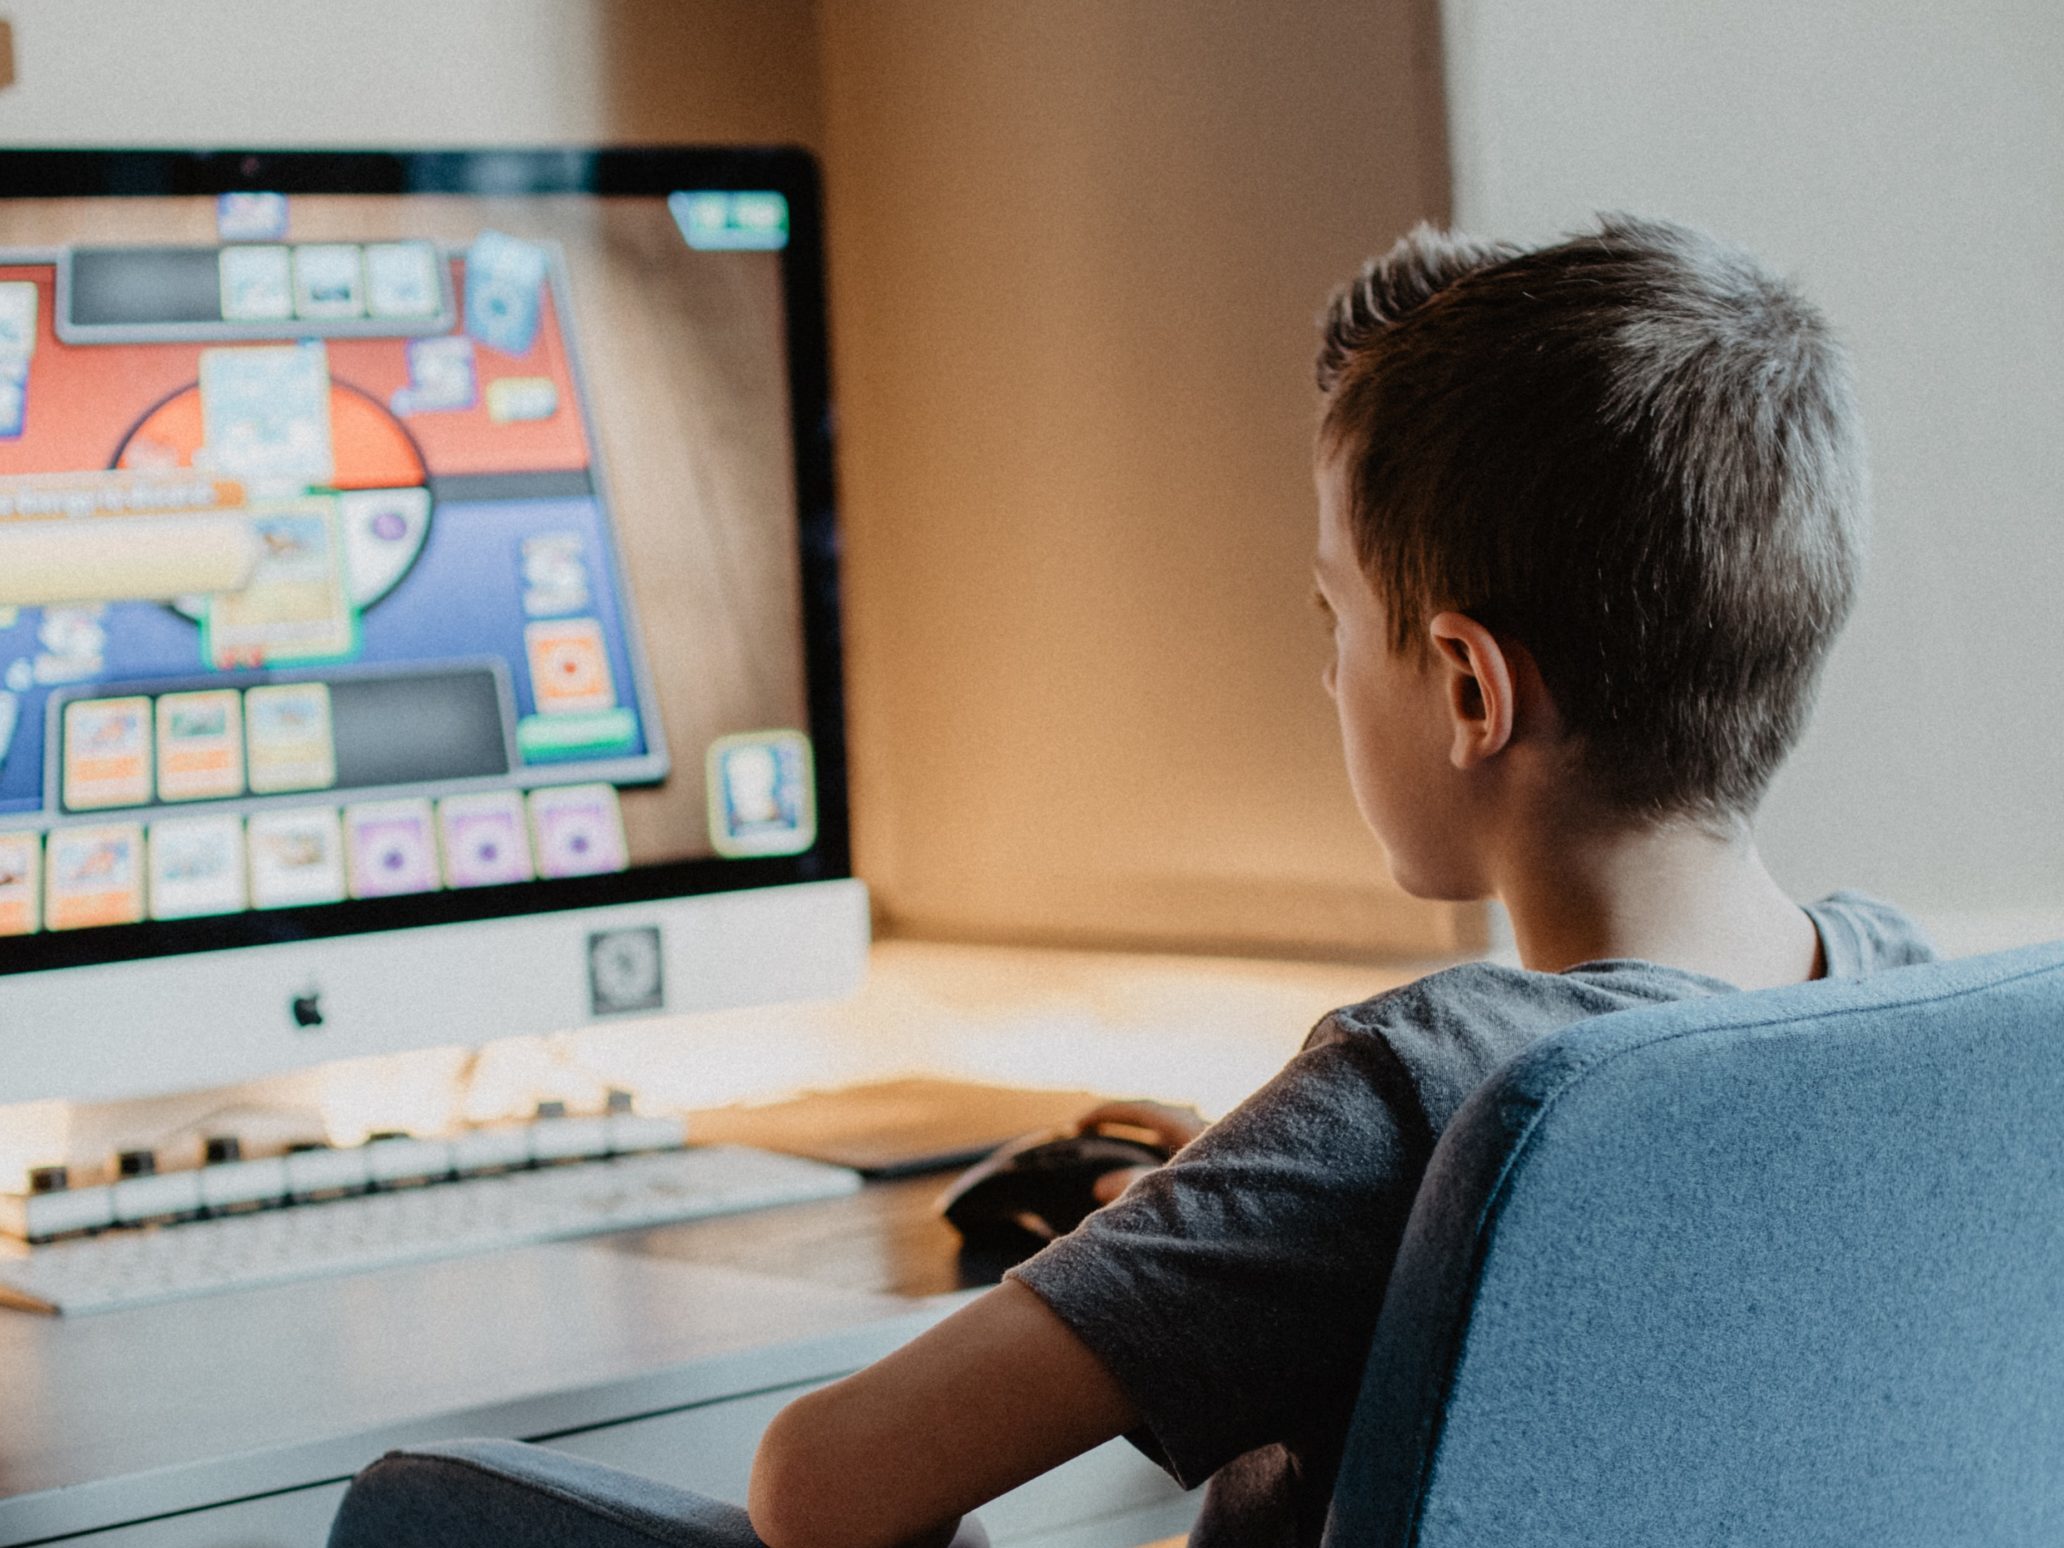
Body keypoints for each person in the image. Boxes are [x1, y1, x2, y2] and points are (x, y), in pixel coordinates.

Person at [327, 215, 1933, 1548]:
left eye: (1333, 616)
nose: (1324, 672)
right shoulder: (1908, 1001)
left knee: (419, 1514)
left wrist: (1283, 1189)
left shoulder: (1411, 1089)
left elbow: (824, 1489)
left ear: (1465, 689)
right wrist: (1240, 1207)